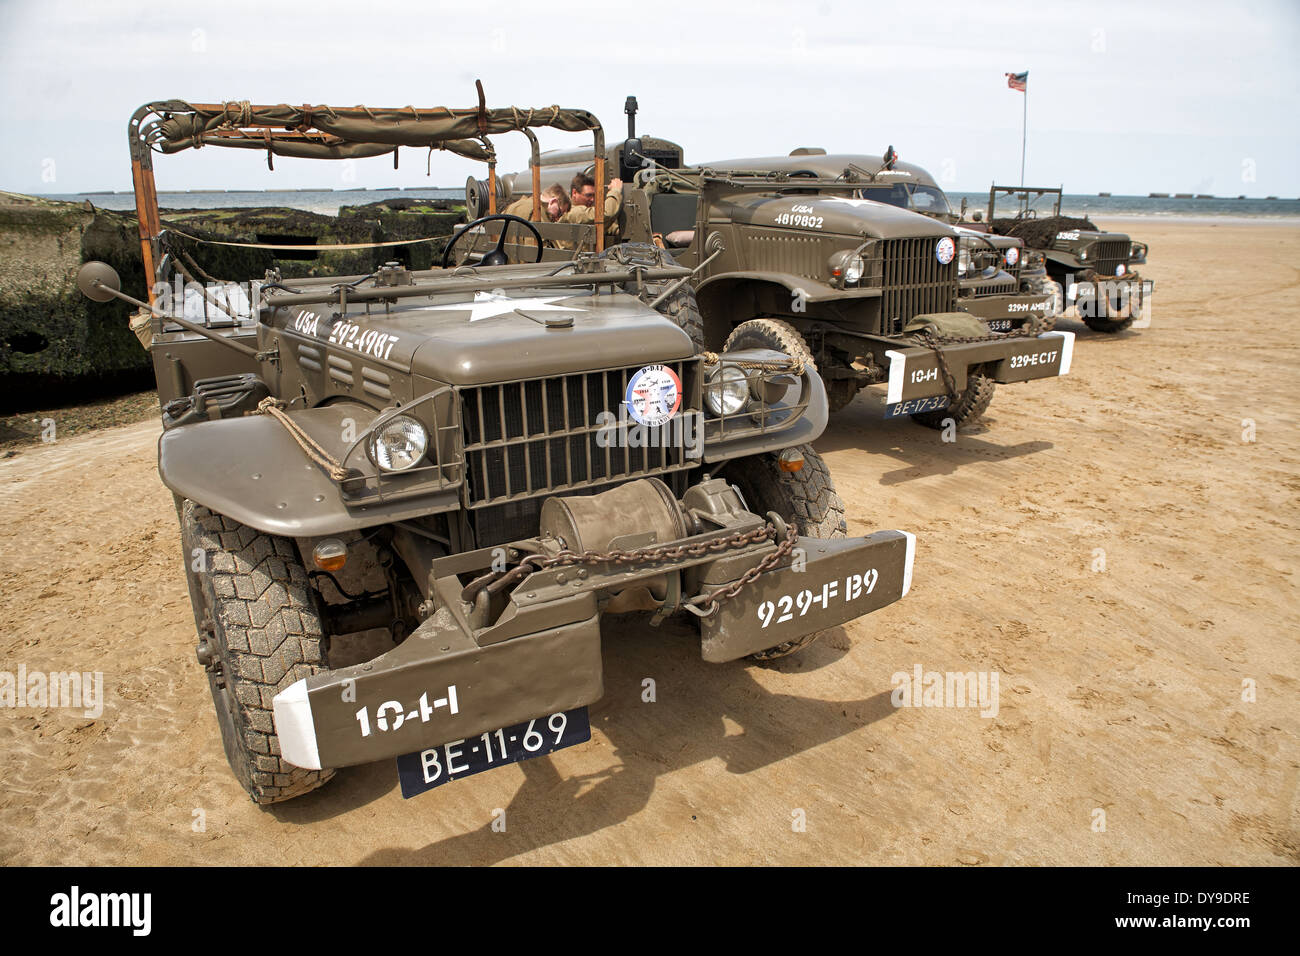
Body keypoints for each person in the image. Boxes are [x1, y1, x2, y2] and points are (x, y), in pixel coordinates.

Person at [560, 172, 623, 236]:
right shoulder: (574, 212)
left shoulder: (582, 214)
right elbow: (606, 212)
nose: (592, 199)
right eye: (588, 195)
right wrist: (615, 190)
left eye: (594, 196)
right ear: (574, 193)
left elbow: (598, 226)